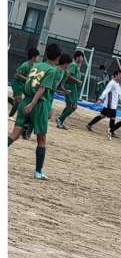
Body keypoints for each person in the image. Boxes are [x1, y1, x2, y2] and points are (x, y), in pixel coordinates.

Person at [8, 43, 62, 180]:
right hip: (38, 105)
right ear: (58, 58)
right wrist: (33, 104)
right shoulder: (52, 70)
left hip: (25, 101)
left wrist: (28, 102)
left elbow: (28, 82)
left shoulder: (36, 65)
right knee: (41, 139)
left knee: (14, 134)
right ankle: (38, 172)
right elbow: (42, 89)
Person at [56, 50, 85, 130]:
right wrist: (78, 81)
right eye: (81, 57)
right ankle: (60, 119)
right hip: (70, 87)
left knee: (69, 106)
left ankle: (60, 121)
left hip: (73, 87)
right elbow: (68, 76)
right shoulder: (73, 65)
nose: (82, 59)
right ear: (77, 57)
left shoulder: (76, 66)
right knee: (73, 106)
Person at [9, 48, 40, 118]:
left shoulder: (34, 65)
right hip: (17, 83)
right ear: (33, 57)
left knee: (17, 101)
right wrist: (26, 78)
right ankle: (11, 115)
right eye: (37, 56)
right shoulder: (25, 65)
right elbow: (17, 74)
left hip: (23, 84)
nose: (38, 58)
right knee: (19, 100)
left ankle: (11, 105)